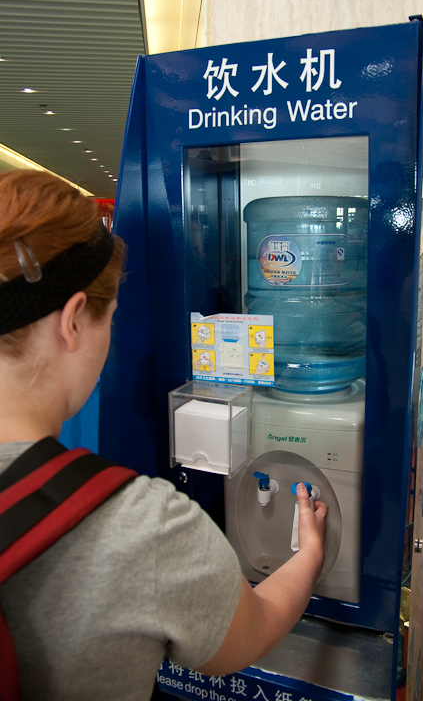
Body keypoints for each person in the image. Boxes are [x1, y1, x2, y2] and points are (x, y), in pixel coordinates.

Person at [0, 169, 328, 701]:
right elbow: (250, 633)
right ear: (74, 321)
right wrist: (309, 551)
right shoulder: (139, 527)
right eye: (111, 318)